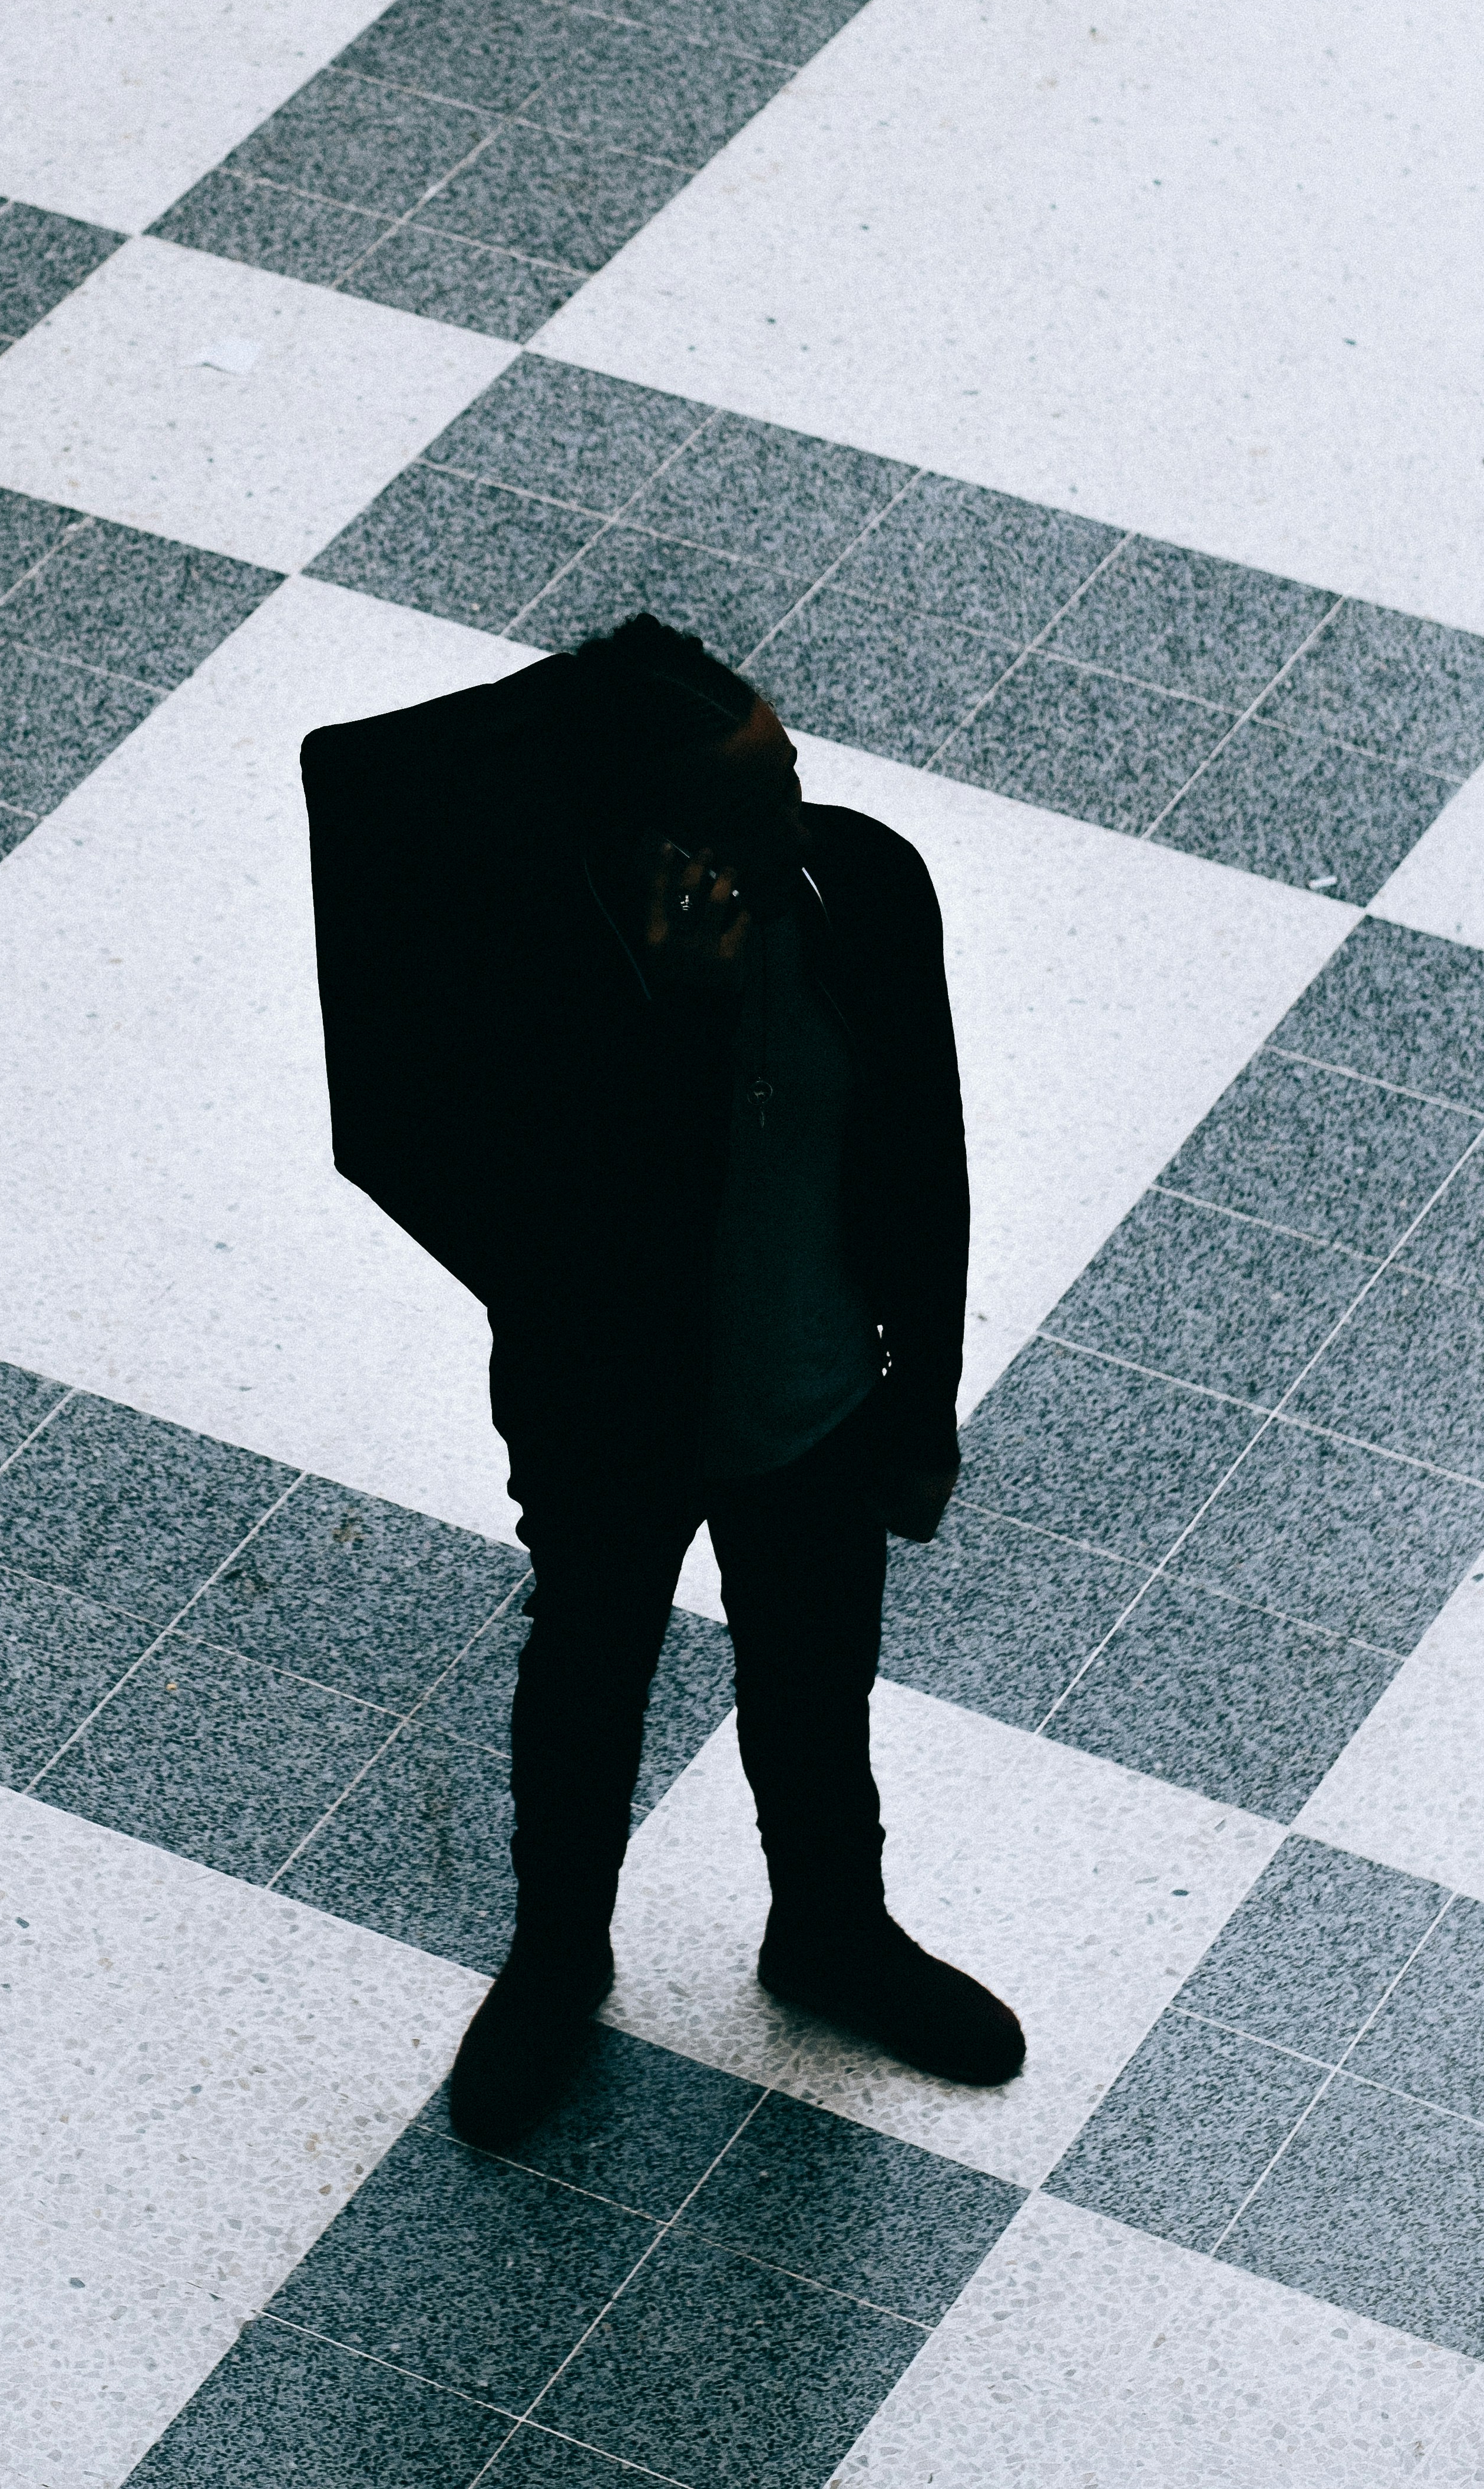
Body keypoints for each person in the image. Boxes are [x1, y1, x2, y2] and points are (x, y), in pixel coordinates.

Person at [302, 610, 1024, 2150]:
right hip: (614, 1422)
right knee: (586, 1685)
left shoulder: (864, 887)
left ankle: (831, 1932)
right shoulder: (549, 963)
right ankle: (555, 1967)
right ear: (642, 830)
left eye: (790, 775)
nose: (788, 823)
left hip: (817, 1396)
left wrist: (925, 1398)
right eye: (745, 804)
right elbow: (545, 1201)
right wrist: (675, 1011)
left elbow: (925, 1162)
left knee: (818, 1692)